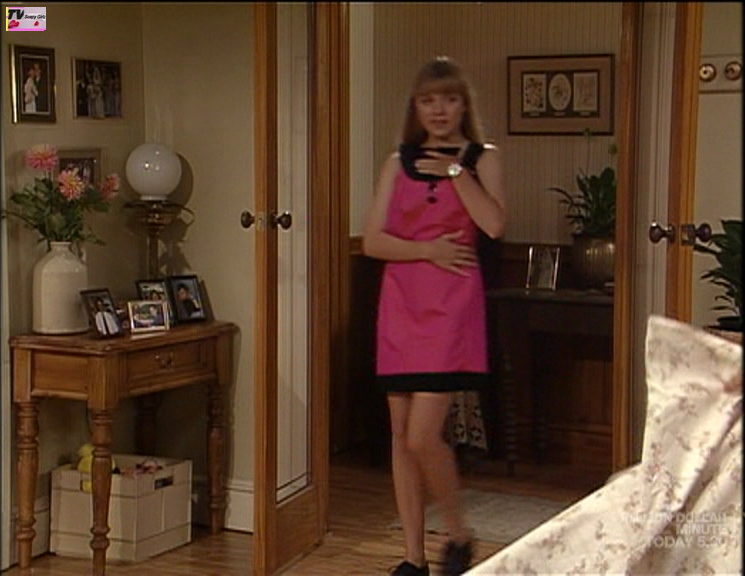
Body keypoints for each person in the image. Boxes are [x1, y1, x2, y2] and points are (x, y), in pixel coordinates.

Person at [362, 56, 507, 576]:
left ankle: (460, 534)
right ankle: (413, 558)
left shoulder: (482, 159)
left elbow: (493, 224)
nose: (439, 110)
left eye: (449, 99)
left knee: (423, 435)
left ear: (464, 105)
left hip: (450, 307)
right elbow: (373, 241)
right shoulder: (395, 163)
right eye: (428, 100)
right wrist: (426, 251)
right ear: (416, 107)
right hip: (401, 305)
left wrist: (453, 171)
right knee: (401, 434)